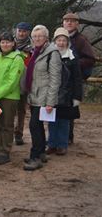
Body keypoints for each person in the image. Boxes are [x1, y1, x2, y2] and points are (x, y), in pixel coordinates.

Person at [23, 25, 61, 171]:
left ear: (46, 37)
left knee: (34, 125)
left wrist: (50, 101)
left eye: (40, 36)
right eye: (35, 36)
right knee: (37, 126)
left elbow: (55, 79)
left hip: (44, 97)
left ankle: (36, 157)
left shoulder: (52, 53)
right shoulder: (36, 52)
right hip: (34, 95)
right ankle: (41, 152)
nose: (37, 38)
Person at [0, 32, 25, 164]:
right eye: (2, 42)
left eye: (8, 42)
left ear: (13, 43)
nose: (5, 44)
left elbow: (11, 82)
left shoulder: (17, 59)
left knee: (7, 125)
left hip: (9, 98)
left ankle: (4, 151)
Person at [47, 27, 83, 156]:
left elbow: (77, 78)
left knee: (64, 121)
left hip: (67, 94)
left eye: (64, 40)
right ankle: (51, 144)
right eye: (59, 40)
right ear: (54, 41)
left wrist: (77, 97)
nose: (61, 43)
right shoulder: (49, 55)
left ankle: (62, 145)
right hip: (52, 93)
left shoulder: (72, 57)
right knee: (52, 121)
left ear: (67, 42)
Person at [62, 12, 95, 144]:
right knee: (60, 108)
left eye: (72, 21)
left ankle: (68, 137)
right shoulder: (60, 37)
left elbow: (90, 59)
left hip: (73, 80)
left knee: (70, 109)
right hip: (61, 79)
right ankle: (60, 137)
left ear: (77, 24)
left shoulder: (81, 39)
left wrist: (73, 64)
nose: (69, 23)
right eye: (66, 20)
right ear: (63, 23)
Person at [13, 21, 33, 146]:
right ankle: (7, 133)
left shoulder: (32, 47)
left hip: (24, 83)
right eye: (19, 30)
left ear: (28, 32)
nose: (21, 33)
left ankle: (19, 134)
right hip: (9, 84)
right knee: (9, 111)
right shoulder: (9, 43)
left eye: (24, 31)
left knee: (21, 111)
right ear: (16, 30)